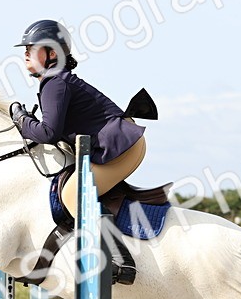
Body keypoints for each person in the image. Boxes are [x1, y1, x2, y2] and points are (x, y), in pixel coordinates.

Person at [9, 19, 147, 221]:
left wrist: (21, 120)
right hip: (122, 144)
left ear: (52, 53)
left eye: (32, 48)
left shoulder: (55, 82)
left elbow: (48, 133)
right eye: (26, 49)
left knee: (73, 197)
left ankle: (111, 252)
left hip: (122, 148)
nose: (26, 53)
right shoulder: (57, 80)